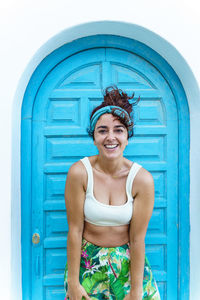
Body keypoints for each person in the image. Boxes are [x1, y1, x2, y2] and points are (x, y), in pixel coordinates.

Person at [64, 86, 160, 300]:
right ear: (94, 136)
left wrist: (136, 290)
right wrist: (73, 282)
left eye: (118, 130)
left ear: (127, 136)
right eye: (102, 130)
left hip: (127, 264)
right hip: (88, 263)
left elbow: (137, 239)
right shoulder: (79, 173)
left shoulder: (141, 179)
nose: (111, 137)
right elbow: (74, 231)